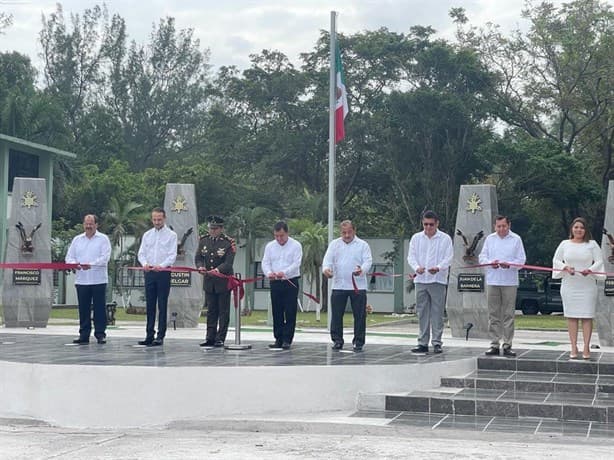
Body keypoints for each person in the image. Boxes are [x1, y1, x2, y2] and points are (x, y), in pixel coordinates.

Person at [552, 217, 605, 360]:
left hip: (587, 285)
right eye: (576, 227)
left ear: (585, 230)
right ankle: (573, 346)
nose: (578, 230)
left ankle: (586, 347)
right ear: (572, 229)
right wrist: (565, 267)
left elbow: (599, 261)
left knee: (587, 317)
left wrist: (590, 269)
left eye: (581, 227)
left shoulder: (592, 244)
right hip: (570, 285)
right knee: (572, 317)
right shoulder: (564, 244)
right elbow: (556, 260)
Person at [479, 215, 526, 357]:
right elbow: (482, 258)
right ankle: (494, 344)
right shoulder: (490, 239)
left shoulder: (516, 239)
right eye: (498, 226)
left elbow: (521, 260)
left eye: (503, 226)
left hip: (509, 281)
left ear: (509, 225)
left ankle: (507, 344)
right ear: (495, 226)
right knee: (493, 315)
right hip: (493, 281)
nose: (501, 229)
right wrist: (490, 262)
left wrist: (509, 264)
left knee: (508, 315)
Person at [407, 210, 453, 354]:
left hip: (437, 280)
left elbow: (449, 257)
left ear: (437, 223)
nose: (428, 228)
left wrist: (438, 268)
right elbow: (411, 257)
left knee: (437, 312)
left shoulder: (445, 239)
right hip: (421, 280)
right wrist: (416, 268)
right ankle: (422, 342)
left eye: (431, 225)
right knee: (422, 312)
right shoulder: (416, 238)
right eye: (425, 224)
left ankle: (437, 342)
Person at [322, 220, 372, 352]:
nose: (347, 235)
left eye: (349, 232)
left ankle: (358, 342)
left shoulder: (363, 245)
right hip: (339, 285)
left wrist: (362, 270)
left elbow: (368, 261)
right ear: (340, 232)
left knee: (360, 315)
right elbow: (327, 261)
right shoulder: (334, 244)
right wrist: (326, 270)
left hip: (358, 286)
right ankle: (337, 340)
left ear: (354, 231)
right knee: (337, 315)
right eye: (344, 232)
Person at [65, 214, 112, 345]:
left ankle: (100, 334)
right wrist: (77, 264)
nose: (88, 226)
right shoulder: (77, 240)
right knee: (83, 309)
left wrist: (90, 264)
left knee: (99, 309)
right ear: (83, 224)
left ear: (96, 225)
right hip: (82, 280)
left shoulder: (103, 239)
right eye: (86, 223)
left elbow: (105, 258)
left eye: (91, 223)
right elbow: (69, 258)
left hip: (98, 280)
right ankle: (84, 335)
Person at [137, 207, 177, 346]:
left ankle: (160, 335)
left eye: (159, 219)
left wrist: (163, 265)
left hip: (163, 273)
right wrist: (145, 263)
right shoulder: (147, 235)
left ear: (164, 219)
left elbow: (172, 255)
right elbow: (141, 253)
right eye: (154, 219)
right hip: (149, 273)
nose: (157, 222)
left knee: (162, 304)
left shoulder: (171, 235)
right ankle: (149, 334)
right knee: (150, 305)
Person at [261, 221, 303, 350]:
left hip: (290, 281)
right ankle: (278, 338)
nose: (279, 239)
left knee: (290, 311)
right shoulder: (270, 246)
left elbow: (296, 263)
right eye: (276, 236)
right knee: (277, 311)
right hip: (275, 282)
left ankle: (287, 339)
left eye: (282, 236)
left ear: (287, 233)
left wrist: (284, 272)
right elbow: (265, 262)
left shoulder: (296, 245)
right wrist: (269, 273)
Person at [195, 216, 235, 347]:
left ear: (221, 229)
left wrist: (218, 270)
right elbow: (199, 257)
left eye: (215, 228)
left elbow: (228, 263)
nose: (212, 231)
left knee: (223, 311)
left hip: (222, 282)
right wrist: (200, 266)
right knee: (211, 310)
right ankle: (210, 337)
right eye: (211, 228)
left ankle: (220, 337)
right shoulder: (204, 241)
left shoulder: (228, 243)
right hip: (209, 281)